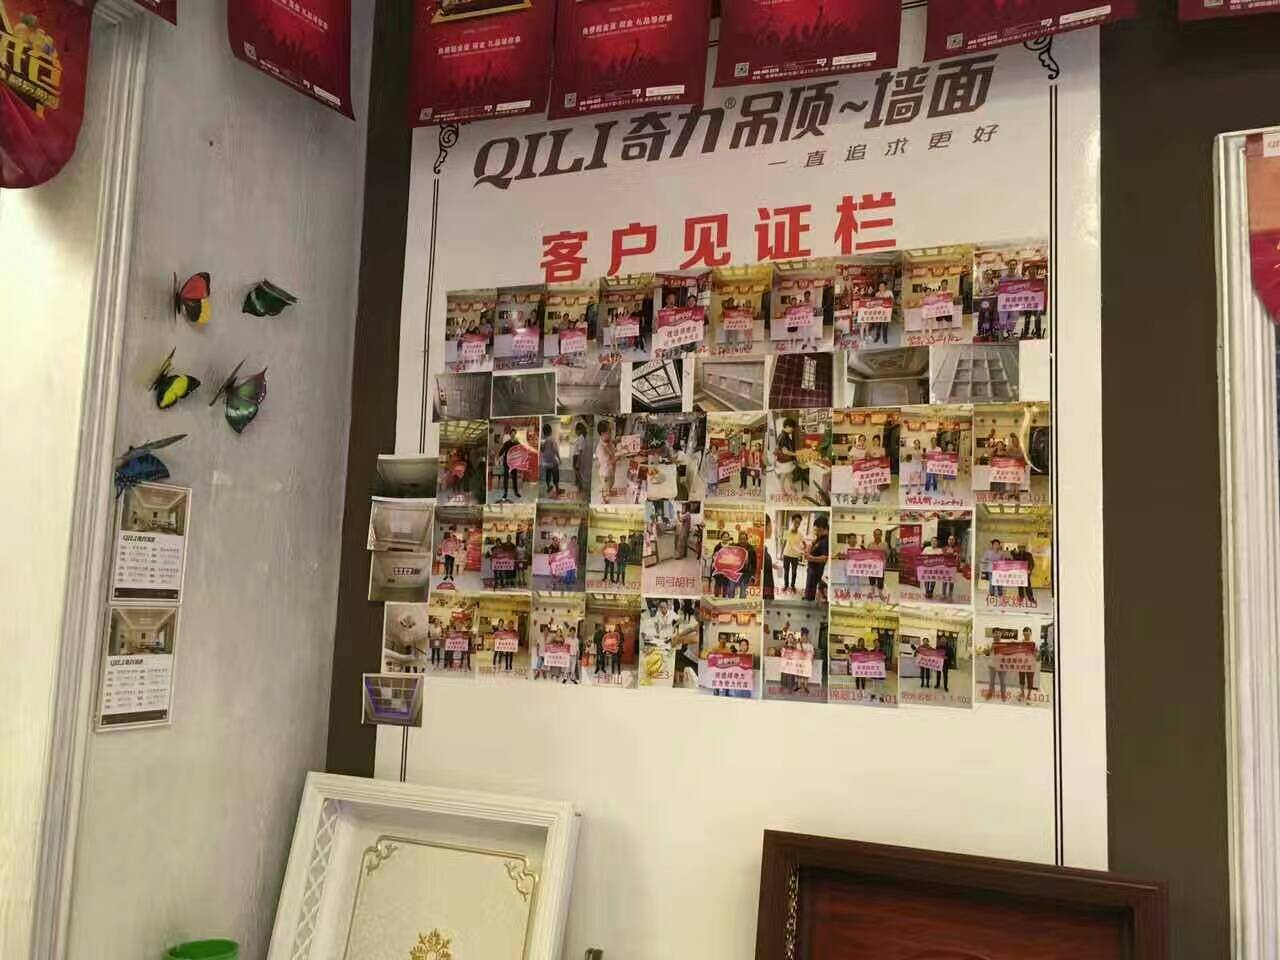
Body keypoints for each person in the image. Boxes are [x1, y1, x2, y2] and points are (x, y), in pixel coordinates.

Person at [803, 515, 829, 603]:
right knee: (809, 588)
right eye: (815, 530)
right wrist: (810, 547)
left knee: (811, 589)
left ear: (824, 529)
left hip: (815, 571)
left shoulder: (825, 541)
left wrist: (811, 558)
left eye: (818, 530)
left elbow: (824, 558)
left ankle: (809, 602)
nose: (816, 532)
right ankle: (807, 597)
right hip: (811, 569)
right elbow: (814, 546)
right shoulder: (819, 538)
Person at [497, 426, 523, 502]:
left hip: (514, 463)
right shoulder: (507, 443)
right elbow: (501, 451)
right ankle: (505, 493)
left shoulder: (517, 443)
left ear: (515, 434)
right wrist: (498, 456)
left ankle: (516, 492)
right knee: (506, 478)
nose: (513, 435)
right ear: (510, 434)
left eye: (514, 434)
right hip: (507, 463)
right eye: (512, 434)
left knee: (514, 478)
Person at [774, 416, 798, 497]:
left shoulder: (785, 435)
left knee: (789, 473)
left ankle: (791, 486)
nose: (793, 430)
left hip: (787, 460)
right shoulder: (783, 436)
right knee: (784, 475)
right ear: (787, 426)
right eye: (792, 428)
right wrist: (796, 454)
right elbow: (785, 452)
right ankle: (782, 489)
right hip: (785, 460)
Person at [782, 514, 805, 594]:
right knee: (786, 571)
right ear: (792, 521)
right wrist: (782, 554)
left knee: (794, 572)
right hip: (786, 554)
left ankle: (792, 585)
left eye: (799, 523)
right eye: (795, 522)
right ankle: (786, 585)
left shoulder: (801, 534)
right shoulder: (787, 532)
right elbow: (784, 543)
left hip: (795, 556)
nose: (797, 524)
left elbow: (804, 544)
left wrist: (803, 550)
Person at [595, 419, 616, 503]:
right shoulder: (600, 448)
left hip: (611, 471)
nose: (611, 433)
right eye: (609, 431)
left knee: (611, 484)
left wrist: (618, 440)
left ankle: (607, 492)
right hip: (605, 474)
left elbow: (612, 444)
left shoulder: (608, 441)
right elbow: (609, 462)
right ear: (603, 433)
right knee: (606, 488)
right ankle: (604, 501)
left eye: (611, 430)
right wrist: (619, 456)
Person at [540, 422, 562, 497]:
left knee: (548, 474)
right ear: (550, 431)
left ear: (543, 432)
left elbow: (542, 451)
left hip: (546, 462)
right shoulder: (552, 439)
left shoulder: (543, 441)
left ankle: (548, 487)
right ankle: (557, 489)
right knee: (556, 475)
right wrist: (559, 459)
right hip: (552, 461)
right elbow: (556, 450)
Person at [867, 528, 889, 598]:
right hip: (872, 567)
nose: (877, 536)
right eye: (875, 534)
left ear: (881, 535)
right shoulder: (870, 545)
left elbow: (887, 555)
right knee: (872, 580)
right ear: (873, 535)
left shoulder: (885, 545)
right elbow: (867, 555)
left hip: (880, 567)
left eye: (879, 534)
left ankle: (880, 594)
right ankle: (872, 592)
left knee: (880, 581)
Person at [736, 530, 758, 599]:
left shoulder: (751, 549)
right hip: (736, 572)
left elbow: (754, 563)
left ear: (747, 539)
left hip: (746, 573)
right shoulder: (735, 547)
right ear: (739, 540)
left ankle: (741, 603)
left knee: (743, 590)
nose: (742, 541)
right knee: (732, 590)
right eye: (741, 539)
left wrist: (753, 574)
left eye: (744, 539)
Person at [1014, 542, 1036, 606]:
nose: (1021, 548)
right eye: (1020, 547)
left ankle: (1031, 598)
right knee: (1020, 585)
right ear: (1018, 548)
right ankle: (1021, 597)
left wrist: (1029, 570)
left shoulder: (1029, 554)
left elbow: (1032, 563)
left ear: (1024, 548)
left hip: (1026, 572)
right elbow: (1014, 563)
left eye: (1022, 547)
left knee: (1028, 586)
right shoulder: (1016, 555)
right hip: (1019, 573)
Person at [573, 420, 590, 498]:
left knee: (578, 472)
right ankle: (579, 486)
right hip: (576, 456)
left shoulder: (581, 438)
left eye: (576, 430)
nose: (575, 432)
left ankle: (581, 487)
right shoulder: (581, 437)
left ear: (579, 430)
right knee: (577, 472)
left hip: (577, 456)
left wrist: (578, 461)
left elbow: (580, 451)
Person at [1018, 625, 1037, 700]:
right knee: (1021, 679)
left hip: (1030, 665)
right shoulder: (1020, 643)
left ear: (1030, 633)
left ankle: (1028, 695)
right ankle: (1022, 693)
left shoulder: (1034, 643)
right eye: (1025, 633)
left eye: (1028, 633)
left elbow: (1037, 654)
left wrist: (1036, 652)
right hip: (1021, 664)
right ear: (1023, 634)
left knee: (1030, 680)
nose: (1026, 635)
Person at [942, 533, 960, 602]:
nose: (951, 541)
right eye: (949, 539)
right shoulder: (944, 548)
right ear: (947, 540)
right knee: (944, 581)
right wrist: (951, 553)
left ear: (954, 541)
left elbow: (957, 558)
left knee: (951, 582)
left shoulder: (957, 549)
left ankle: (950, 595)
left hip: (953, 568)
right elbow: (943, 556)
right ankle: (943, 594)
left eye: (952, 539)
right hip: (945, 567)